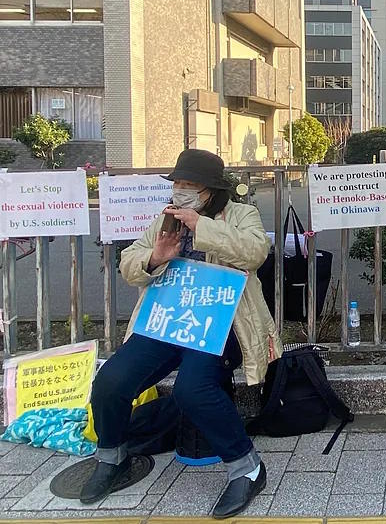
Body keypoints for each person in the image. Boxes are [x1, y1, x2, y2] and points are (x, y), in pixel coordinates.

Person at [81, 149, 281, 519]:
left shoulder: (240, 214)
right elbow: (130, 264)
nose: (180, 192)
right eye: (177, 184)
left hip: (220, 323)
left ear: (211, 191)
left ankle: (247, 468)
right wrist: (155, 258)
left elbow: (255, 251)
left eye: (190, 185)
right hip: (167, 321)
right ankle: (112, 457)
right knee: (111, 379)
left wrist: (199, 226)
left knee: (194, 387)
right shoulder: (164, 221)